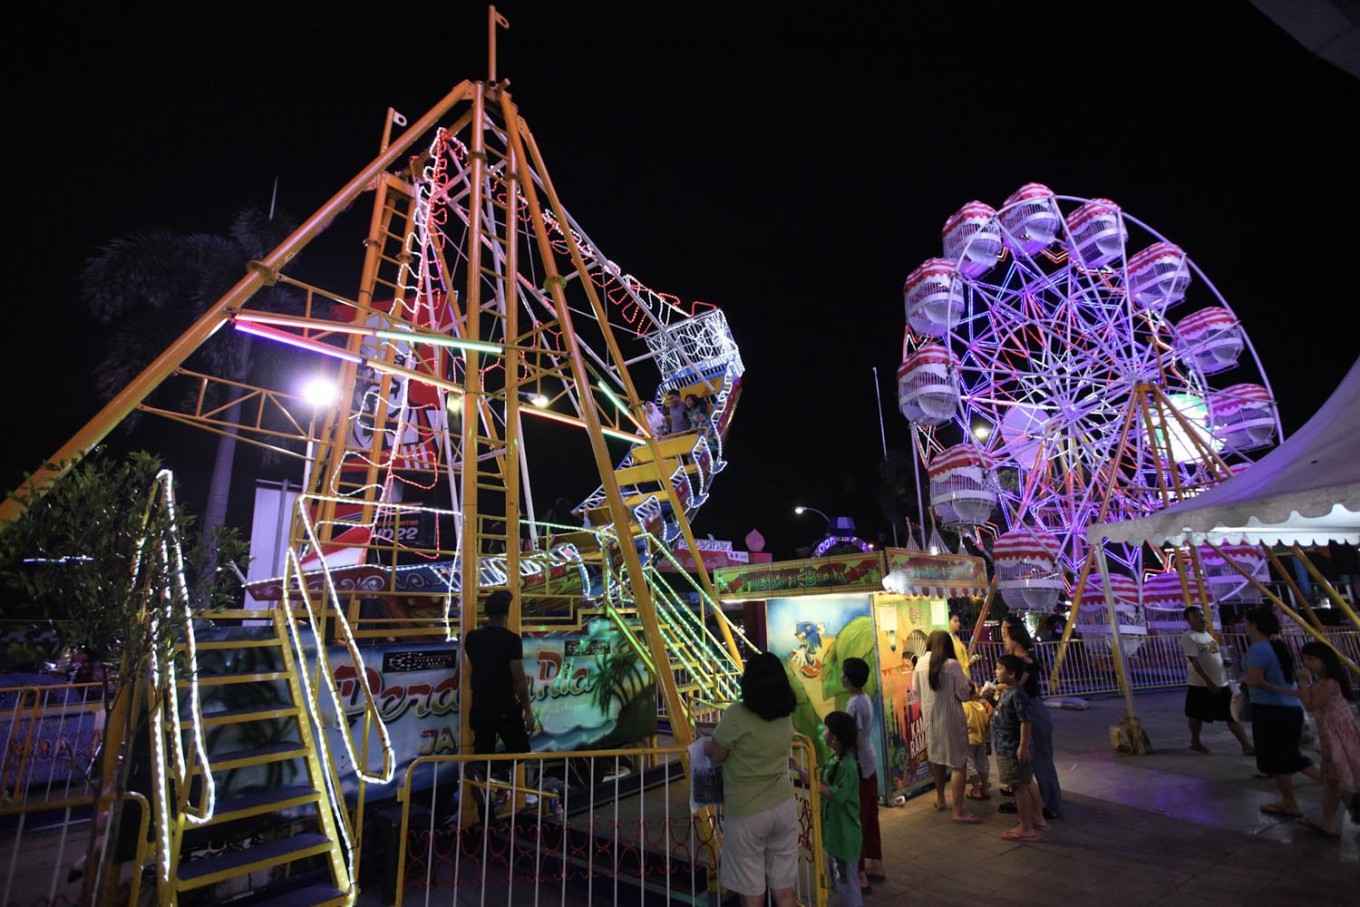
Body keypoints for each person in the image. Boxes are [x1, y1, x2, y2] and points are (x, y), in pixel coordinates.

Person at [704, 652, 798, 907]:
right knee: (785, 891)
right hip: (784, 805)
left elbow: (716, 755)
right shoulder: (785, 713)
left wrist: (706, 747)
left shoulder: (737, 714)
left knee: (752, 892)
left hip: (747, 812)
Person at [1261, 640, 1360, 835]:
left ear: (1325, 661)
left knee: (1342, 781)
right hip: (1331, 736)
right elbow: (1301, 694)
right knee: (1333, 781)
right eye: (1304, 658)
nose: (1306, 663)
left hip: (1337, 737)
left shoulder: (1330, 683)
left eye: (1311, 659)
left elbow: (1309, 704)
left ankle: (1348, 815)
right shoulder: (1322, 682)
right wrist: (1270, 687)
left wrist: (1304, 682)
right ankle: (1326, 821)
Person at [1239, 607, 1318, 818]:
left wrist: (1243, 679)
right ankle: (1337, 786)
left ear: (1254, 625)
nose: (1244, 626)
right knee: (1291, 756)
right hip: (1289, 709)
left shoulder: (1259, 649)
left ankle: (1291, 802)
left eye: (1247, 622)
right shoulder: (1277, 646)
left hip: (1271, 710)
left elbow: (1256, 680)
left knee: (1278, 759)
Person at [996, 615, 1064, 820]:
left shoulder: (1026, 661)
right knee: (1022, 763)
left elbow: (1016, 685)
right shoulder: (1017, 661)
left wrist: (999, 686)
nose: (1003, 640)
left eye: (1005, 635)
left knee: (1041, 760)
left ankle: (1052, 805)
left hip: (1033, 713)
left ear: (1014, 636)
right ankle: (1023, 803)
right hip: (1018, 716)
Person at [792, 711, 862, 907]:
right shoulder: (834, 761)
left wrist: (814, 783)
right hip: (834, 839)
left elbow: (835, 794)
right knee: (840, 884)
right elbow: (817, 777)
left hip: (845, 839)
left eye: (827, 729)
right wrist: (799, 768)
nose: (823, 733)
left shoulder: (847, 767)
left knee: (848, 886)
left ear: (836, 739)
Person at [462, 590, 535, 761]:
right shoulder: (511, 640)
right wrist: (527, 711)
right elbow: (519, 680)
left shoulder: (472, 638)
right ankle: (483, 770)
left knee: (482, 753)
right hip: (504, 704)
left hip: (480, 703)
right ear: (506, 613)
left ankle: (479, 772)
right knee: (521, 751)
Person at [913, 630, 978, 822]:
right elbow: (965, 693)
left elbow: (916, 691)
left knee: (938, 760)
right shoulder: (951, 666)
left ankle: (940, 798)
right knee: (958, 763)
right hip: (952, 720)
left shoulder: (920, 664)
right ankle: (957, 811)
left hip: (931, 720)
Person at [1180, 606, 1254, 755]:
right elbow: (1194, 661)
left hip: (1220, 681)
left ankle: (1246, 745)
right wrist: (1208, 681)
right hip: (1200, 684)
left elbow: (1212, 655)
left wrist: (1223, 663)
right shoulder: (1189, 637)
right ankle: (1195, 741)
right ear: (1188, 620)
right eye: (1196, 616)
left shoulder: (1208, 635)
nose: (1201, 618)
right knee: (1195, 714)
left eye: (1202, 615)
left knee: (1231, 715)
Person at [992, 654, 1046, 841]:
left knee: (1019, 786)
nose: (995, 671)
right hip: (1007, 747)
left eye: (999, 668)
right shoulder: (1008, 692)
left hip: (1011, 748)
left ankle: (1026, 827)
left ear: (1012, 673)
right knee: (1025, 782)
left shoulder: (1017, 694)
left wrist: (1022, 747)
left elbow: (1025, 721)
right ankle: (1036, 819)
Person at [841, 657, 884, 887]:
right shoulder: (865, 698)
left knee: (856, 818)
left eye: (843, 673)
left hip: (858, 765)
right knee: (870, 815)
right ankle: (876, 862)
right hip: (869, 760)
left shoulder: (853, 704)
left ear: (848, 678)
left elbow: (855, 737)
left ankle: (859, 873)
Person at [963, 681, 994, 800]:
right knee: (982, 764)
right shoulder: (980, 706)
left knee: (970, 765)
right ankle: (984, 788)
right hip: (981, 740)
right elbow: (986, 723)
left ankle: (975, 790)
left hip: (968, 741)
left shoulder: (963, 707)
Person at [948, 612, 980, 680]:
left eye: (958, 621)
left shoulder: (957, 638)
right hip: (958, 676)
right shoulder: (948, 639)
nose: (958, 624)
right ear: (948, 622)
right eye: (955, 621)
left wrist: (971, 660)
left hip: (965, 674)